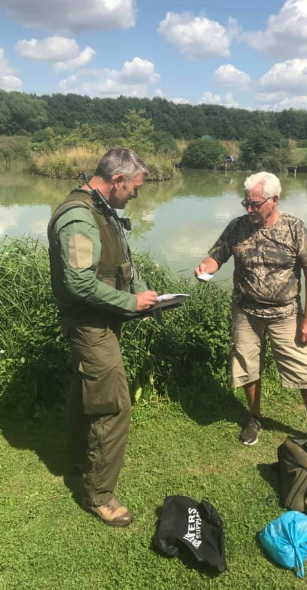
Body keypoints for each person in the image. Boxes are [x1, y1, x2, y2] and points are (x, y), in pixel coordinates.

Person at [48, 148, 158, 526]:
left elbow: (119, 262)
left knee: (86, 393)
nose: (135, 195)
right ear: (116, 181)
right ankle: (98, 494)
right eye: (134, 188)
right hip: (89, 326)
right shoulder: (79, 217)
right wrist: (129, 301)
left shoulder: (103, 209)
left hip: (103, 320)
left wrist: (146, 295)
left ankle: (79, 459)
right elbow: (79, 282)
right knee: (112, 406)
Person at [194, 171, 307, 446]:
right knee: (247, 367)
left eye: (256, 204)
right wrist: (205, 268)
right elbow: (216, 256)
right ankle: (255, 417)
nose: (250, 209)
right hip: (246, 312)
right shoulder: (237, 227)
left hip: (286, 314)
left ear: (274, 200)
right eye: (247, 203)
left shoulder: (294, 228)